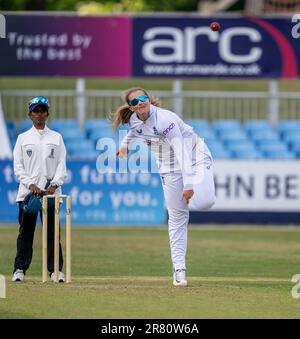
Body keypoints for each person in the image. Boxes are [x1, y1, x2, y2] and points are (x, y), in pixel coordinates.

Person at [113, 87, 216, 287]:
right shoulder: (135, 120)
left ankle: (201, 185)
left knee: (204, 202)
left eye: (143, 98)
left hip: (194, 157)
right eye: (135, 102)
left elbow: (182, 152)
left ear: (148, 99)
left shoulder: (165, 120)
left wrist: (189, 185)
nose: (140, 103)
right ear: (131, 107)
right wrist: (125, 145)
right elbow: (135, 131)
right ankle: (179, 270)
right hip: (169, 169)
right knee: (176, 217)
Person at [12, 96, 67, 282]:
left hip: (51, 194)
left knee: (53, 234)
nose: (39, 114)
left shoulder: (57, 138)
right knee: (25, 233)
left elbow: (62, 165)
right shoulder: (22, 138)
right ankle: (19, 269)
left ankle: (55, 271)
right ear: (30, 114)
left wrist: (54, 184)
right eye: (36, 111)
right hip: (28, 195)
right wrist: (30, 184)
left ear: (47, 114)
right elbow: (18, 167)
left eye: (43, 111)